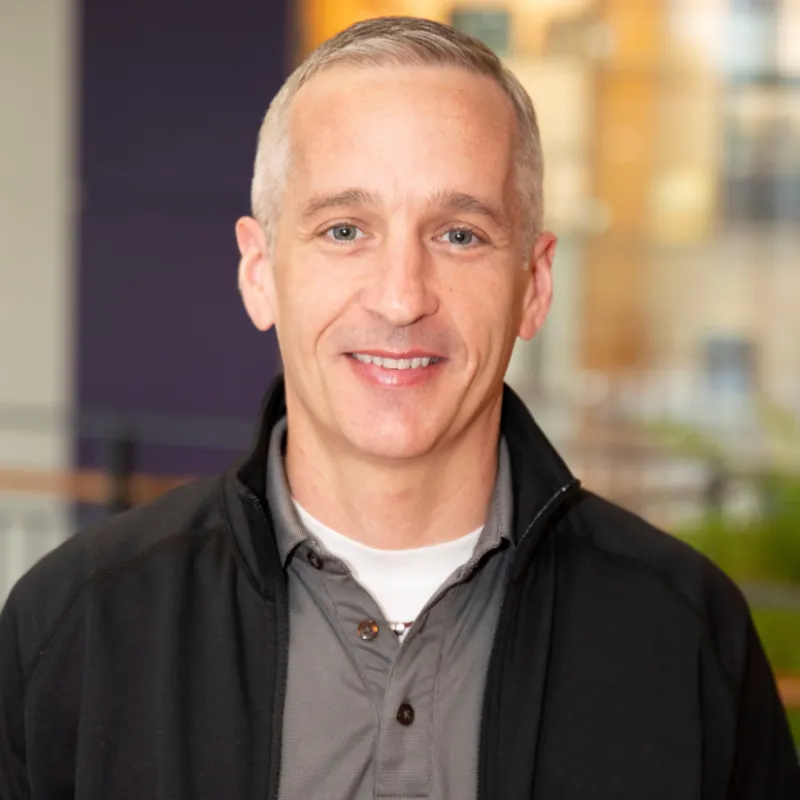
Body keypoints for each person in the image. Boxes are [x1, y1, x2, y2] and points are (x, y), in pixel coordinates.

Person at [1, 15, 798, 800]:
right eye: (345, 229)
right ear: (259, 272)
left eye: (458, 235)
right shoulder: (76, 626)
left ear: (536, 283)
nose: (400, 297)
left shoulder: (686, 637)